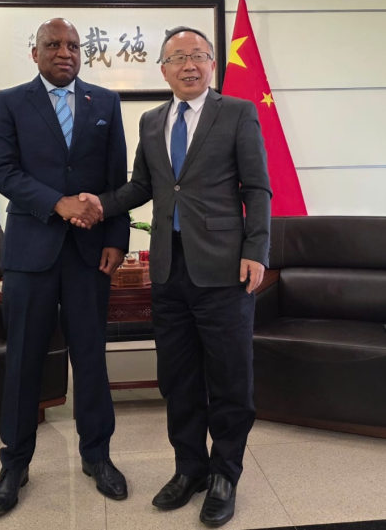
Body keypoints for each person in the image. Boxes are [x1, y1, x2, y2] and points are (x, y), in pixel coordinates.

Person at [73, 26, 271, 527]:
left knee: (230, 378)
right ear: (162, 69)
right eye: (178, 57)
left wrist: (256, 250)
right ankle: (190, 468)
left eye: (198, 55)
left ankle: (225, 473)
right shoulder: (151, 120)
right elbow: (142, 185)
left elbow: (258, 189)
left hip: (224, 268)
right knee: (178, 379)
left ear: (212, 65)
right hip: (167, 267)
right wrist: (100, 204)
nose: (189, 65)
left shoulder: (238, 113)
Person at [0, 18, 130, 517]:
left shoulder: (104, 102)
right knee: (24, 360)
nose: (64, 52)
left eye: (72, 45)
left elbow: (116, 180)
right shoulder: (11, 102)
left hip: (90, 255)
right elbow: (1, 169)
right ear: (35, 53)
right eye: (53, 45)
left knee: (91, 358)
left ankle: (98, 456)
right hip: (30, 254)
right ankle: (14, 465)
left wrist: (117, 239)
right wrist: (58, 203)